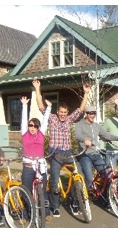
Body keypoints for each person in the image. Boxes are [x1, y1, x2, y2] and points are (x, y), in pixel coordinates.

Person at [34, 79, 89, 218]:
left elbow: (81, 110)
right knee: (54, 182)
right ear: (57, 111)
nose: (63, 114)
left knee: (79, 177)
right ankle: (55, 205)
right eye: (61, 111)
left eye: (65, 112)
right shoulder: (51, 118)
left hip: (69, 153)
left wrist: (86, 93)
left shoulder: (70, 119)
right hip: (55, 154)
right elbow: (40, 106)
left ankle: (75, 202)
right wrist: (37, 89)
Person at [73, 104, 118, 193]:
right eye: (90, 113)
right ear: (86, 114)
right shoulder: (79, 124)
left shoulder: (96, 126)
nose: (92, 115)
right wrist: (84, 140)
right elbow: (77, 135)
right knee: (89, 177)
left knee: (105, 175)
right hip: (85, 154)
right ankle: (86, 196)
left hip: (95, 153)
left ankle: (107, 198)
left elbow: (106, 135)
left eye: (94, 113)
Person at [19, 96, 50, 195]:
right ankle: (28, 210)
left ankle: (44, 210)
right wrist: (24, 105)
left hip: (40, 165)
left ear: (38, 127)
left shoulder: (41, 134)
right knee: (26, 191)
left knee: (43, 191)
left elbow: (45, 121)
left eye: (35, 126)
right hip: (28, 166)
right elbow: (24, 120)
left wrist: (49, 108)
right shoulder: (25, 133)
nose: (32, 128)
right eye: (31, 125)